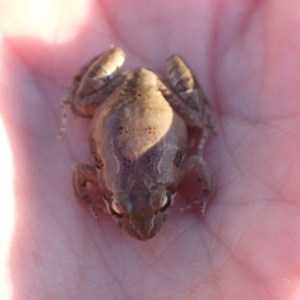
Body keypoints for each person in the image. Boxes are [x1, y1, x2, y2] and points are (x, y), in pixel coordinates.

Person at [1, 1, 299, 299]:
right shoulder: (113, 182)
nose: (145, 227)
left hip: (155, 91)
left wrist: (88, 200)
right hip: (129, 94)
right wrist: (203, 192)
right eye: (120, 210)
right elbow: (194, 163)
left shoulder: (147, 179)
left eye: (159, 204)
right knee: (187, 118)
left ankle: (104, 76)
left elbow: (82, 172)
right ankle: (79, 91)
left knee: (193, 118)